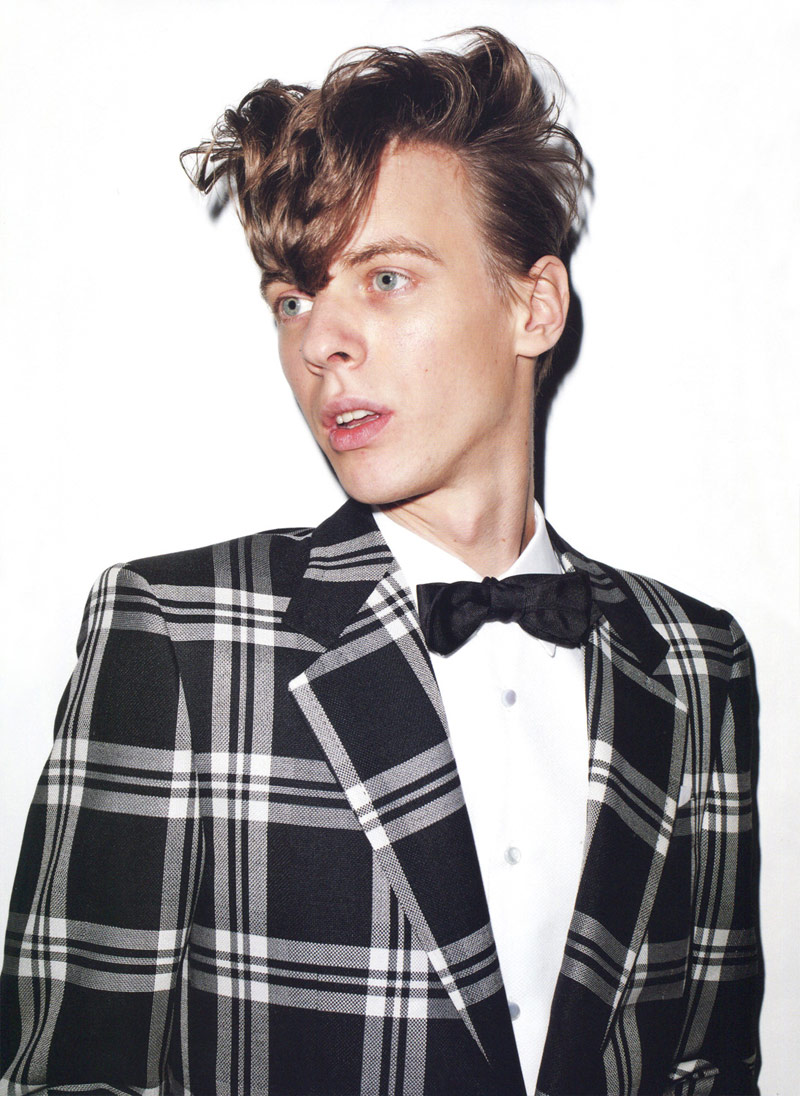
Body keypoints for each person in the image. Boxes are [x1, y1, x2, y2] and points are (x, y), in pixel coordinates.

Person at [0, 27, 761, 1096]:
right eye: (292, 299)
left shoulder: (694, 658)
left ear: (532, 307)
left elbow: (706, 1064)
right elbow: (69, 1075)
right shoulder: (178, 633)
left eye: (388, 277)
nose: (319, 342)